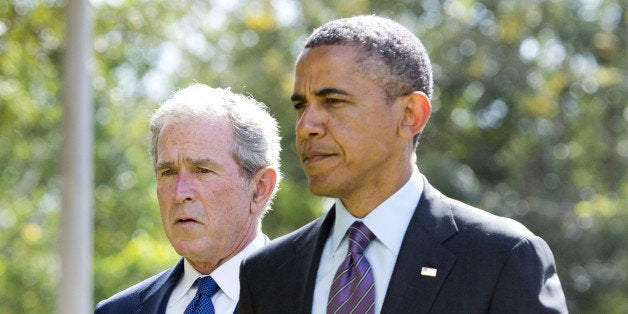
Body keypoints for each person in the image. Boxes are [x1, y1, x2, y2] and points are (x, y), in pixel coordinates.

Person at [239, 15, 567, 313]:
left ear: (410, 115)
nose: (306, 125)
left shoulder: (500, 258)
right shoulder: (266, 272)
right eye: (301, 106)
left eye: (333, 101)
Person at [96, 84, 282, 313]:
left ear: (260, 189)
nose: (179, 193)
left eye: (202, 170)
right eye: (168, 172)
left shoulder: (315, 299)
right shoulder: (117, 310)